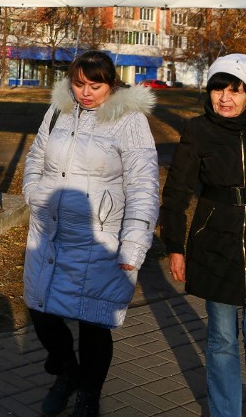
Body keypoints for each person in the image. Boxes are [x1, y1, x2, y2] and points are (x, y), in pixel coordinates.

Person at [23, 50, 159, 417]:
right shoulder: (59, 110)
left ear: (111, 84)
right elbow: (36, 156)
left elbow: (143, 186)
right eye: (79, 84)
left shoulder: (129, 120)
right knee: (41, 311)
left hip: (99, 238)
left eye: (95, 86)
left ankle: (88, 394)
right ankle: (67, 372)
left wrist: (134, 244)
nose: (85, 93)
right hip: (50, 232)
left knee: (93, 322)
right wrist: (34, 192)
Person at [159, 54, 246, 417]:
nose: (224, 98)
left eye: (235, 90)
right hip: (215, 245)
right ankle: (225, 412)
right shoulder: (199, 130)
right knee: (221, 340)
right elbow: (176, 192)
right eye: (218, 89)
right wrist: (175, 247)